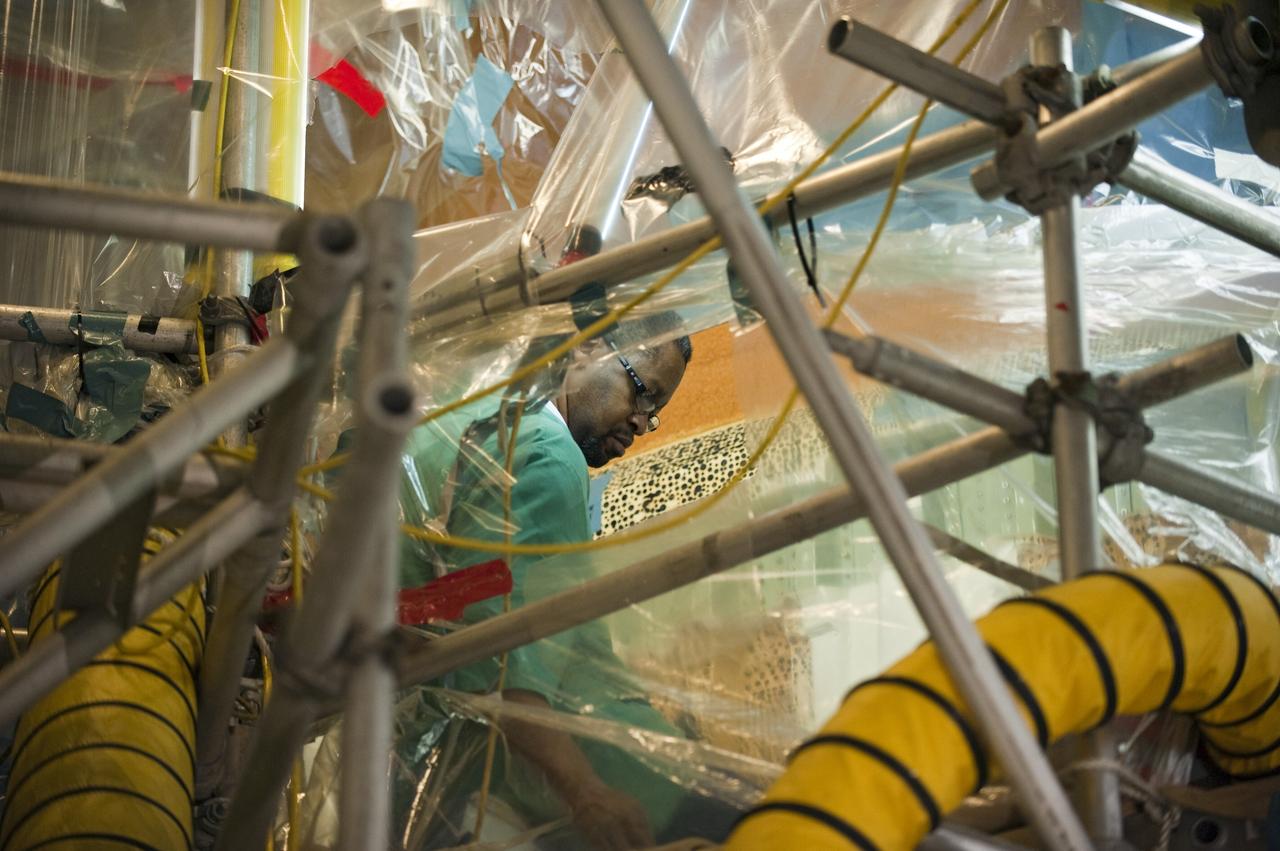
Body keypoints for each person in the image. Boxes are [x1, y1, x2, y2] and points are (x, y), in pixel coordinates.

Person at [396, 312, 737, 849]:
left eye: (655, 414)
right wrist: (585, 792)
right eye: (642, 394)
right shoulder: (550, 462)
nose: (642, 424)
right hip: (605, 773)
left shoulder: (477, 425)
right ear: (587, 350)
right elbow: (504, 658)